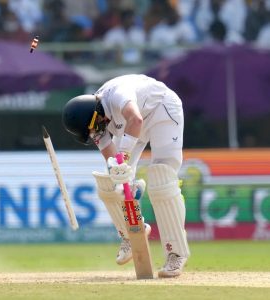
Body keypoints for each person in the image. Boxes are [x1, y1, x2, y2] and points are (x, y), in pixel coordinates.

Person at [62, 74, 190, 278]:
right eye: (92, 131)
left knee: (161, 178)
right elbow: (113, 162)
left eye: (95, 127)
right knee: (110, 183)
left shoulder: (118, 95)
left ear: (96, 114)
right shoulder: (95, 122)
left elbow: (136, 119)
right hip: (132, 126)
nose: (97, 132)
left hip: (161, 110)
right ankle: (131, 234)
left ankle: (176, 253)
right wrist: (121, 177)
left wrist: (123, 157)